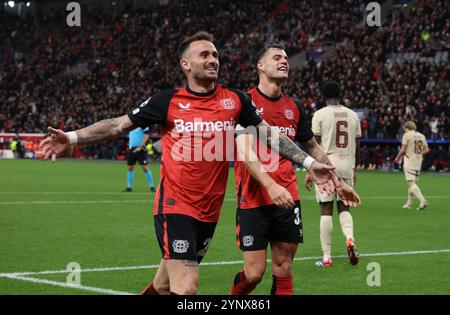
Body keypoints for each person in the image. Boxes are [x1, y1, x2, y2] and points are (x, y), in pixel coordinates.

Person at [40, 32, 360, 295]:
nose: (212, 60)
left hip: (209, 213)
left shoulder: (235, 101)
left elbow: (269, 135)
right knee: (187, 288)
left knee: (163, 285)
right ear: (185, 64)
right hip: (175, 206)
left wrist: (307, 162)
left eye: (215, 55)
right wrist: (70, 137)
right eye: (204, 55)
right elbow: (117, 125)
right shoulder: (167, 100)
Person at [230, 46, 360, 295]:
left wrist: (338, 180)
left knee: (284, 266)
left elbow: (313, 147)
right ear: (260, 66)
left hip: (288, 196)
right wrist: (270, 184)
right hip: (254, 196)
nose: (284, 62)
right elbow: (245, 153)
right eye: (277, 58)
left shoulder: (294, 107)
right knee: (254, 274)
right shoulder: (244, 102)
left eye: (286, 59)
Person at [305, 81, 361, 268]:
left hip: (326, 165)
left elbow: (314, 145)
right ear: (340, 94)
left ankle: (327, 257)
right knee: (344, 207)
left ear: (324, 96)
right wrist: (354, 168)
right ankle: (350, 238)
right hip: (347, 165)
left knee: (325, 208)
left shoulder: (319, 114)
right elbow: (357, 145)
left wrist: (310, 170)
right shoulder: (353, 115)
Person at [395, 121, 430, 210]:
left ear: (407, 128)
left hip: (409, 160)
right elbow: (426, 150)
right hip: (418, 161)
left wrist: (398, 157)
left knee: (411, 183)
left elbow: (403, 149)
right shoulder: (422, 136)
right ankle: (409, 203)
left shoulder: (406, 135)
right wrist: (418, 154)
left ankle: (423, 200)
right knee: (413, 183)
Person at [124, 127, 156, 193]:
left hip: (141, 149)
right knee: (130, 167)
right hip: (131, 149)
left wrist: (140, 147)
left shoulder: (143, 124)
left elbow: (146, 136)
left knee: (145, 167)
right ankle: (129, 187)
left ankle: (152, 186)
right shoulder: (130, 125)